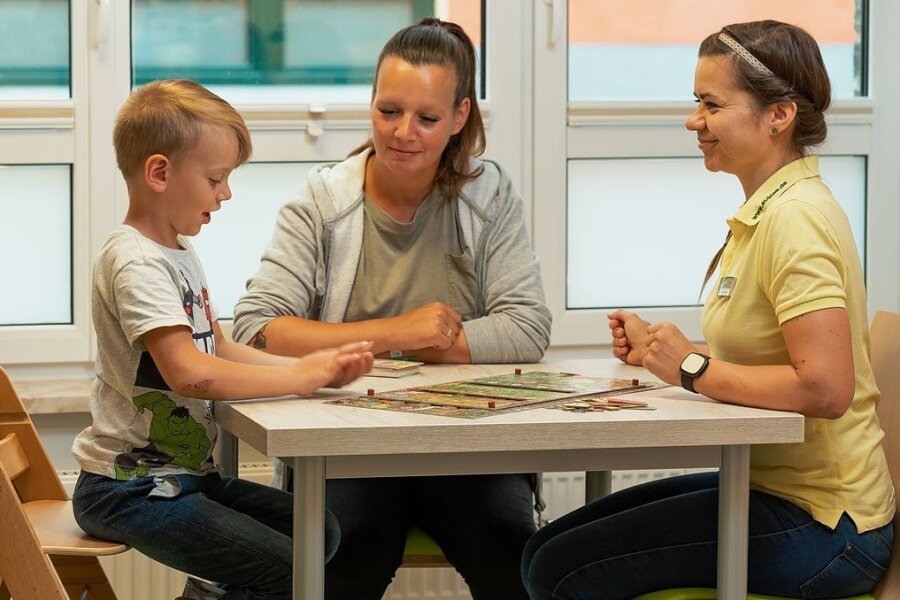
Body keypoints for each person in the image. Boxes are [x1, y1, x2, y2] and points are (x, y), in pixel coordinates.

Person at [521, 20, 894, 600]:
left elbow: (827, 387)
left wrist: (691, 370)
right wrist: (668, 351)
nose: (694, 121)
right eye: (697, 103)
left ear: (778, 115)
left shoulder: (797, 219)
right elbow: (770, 358)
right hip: (774, 492)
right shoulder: (768, 210)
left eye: (712, 105)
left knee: (561, 569)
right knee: (544, 548)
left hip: (829, 529)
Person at [232, 18, 551, 600]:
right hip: (348, 452)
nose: (403, 133)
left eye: (427, 118)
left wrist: (402, 344)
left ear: (459, 118)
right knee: (340, 562)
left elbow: (527, 327)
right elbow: (256, 330)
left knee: (518, 562)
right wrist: (398, 332)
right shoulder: (322, 200)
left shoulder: (490, 194)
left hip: (465, 450)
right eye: (388, 111)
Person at [70, 79, 374, 600]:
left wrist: (311, 367)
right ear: (159, 172)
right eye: (216, 178)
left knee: (317, 532)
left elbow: (217, 346)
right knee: (290, 564)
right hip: (130, 489)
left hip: (186, 477)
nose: (226, 193)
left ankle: (208, 591)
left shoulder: (177, 250)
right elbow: (190, 373)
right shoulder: (136, 261)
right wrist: (300, 379)